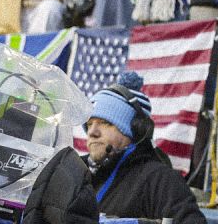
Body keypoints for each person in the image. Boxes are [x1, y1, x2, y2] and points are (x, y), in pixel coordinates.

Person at [83, 72, 205, 224]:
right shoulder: (75, 174)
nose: (92, 132)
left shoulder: (160, 180)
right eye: (89, 124)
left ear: (135, 129)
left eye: (105, 123)